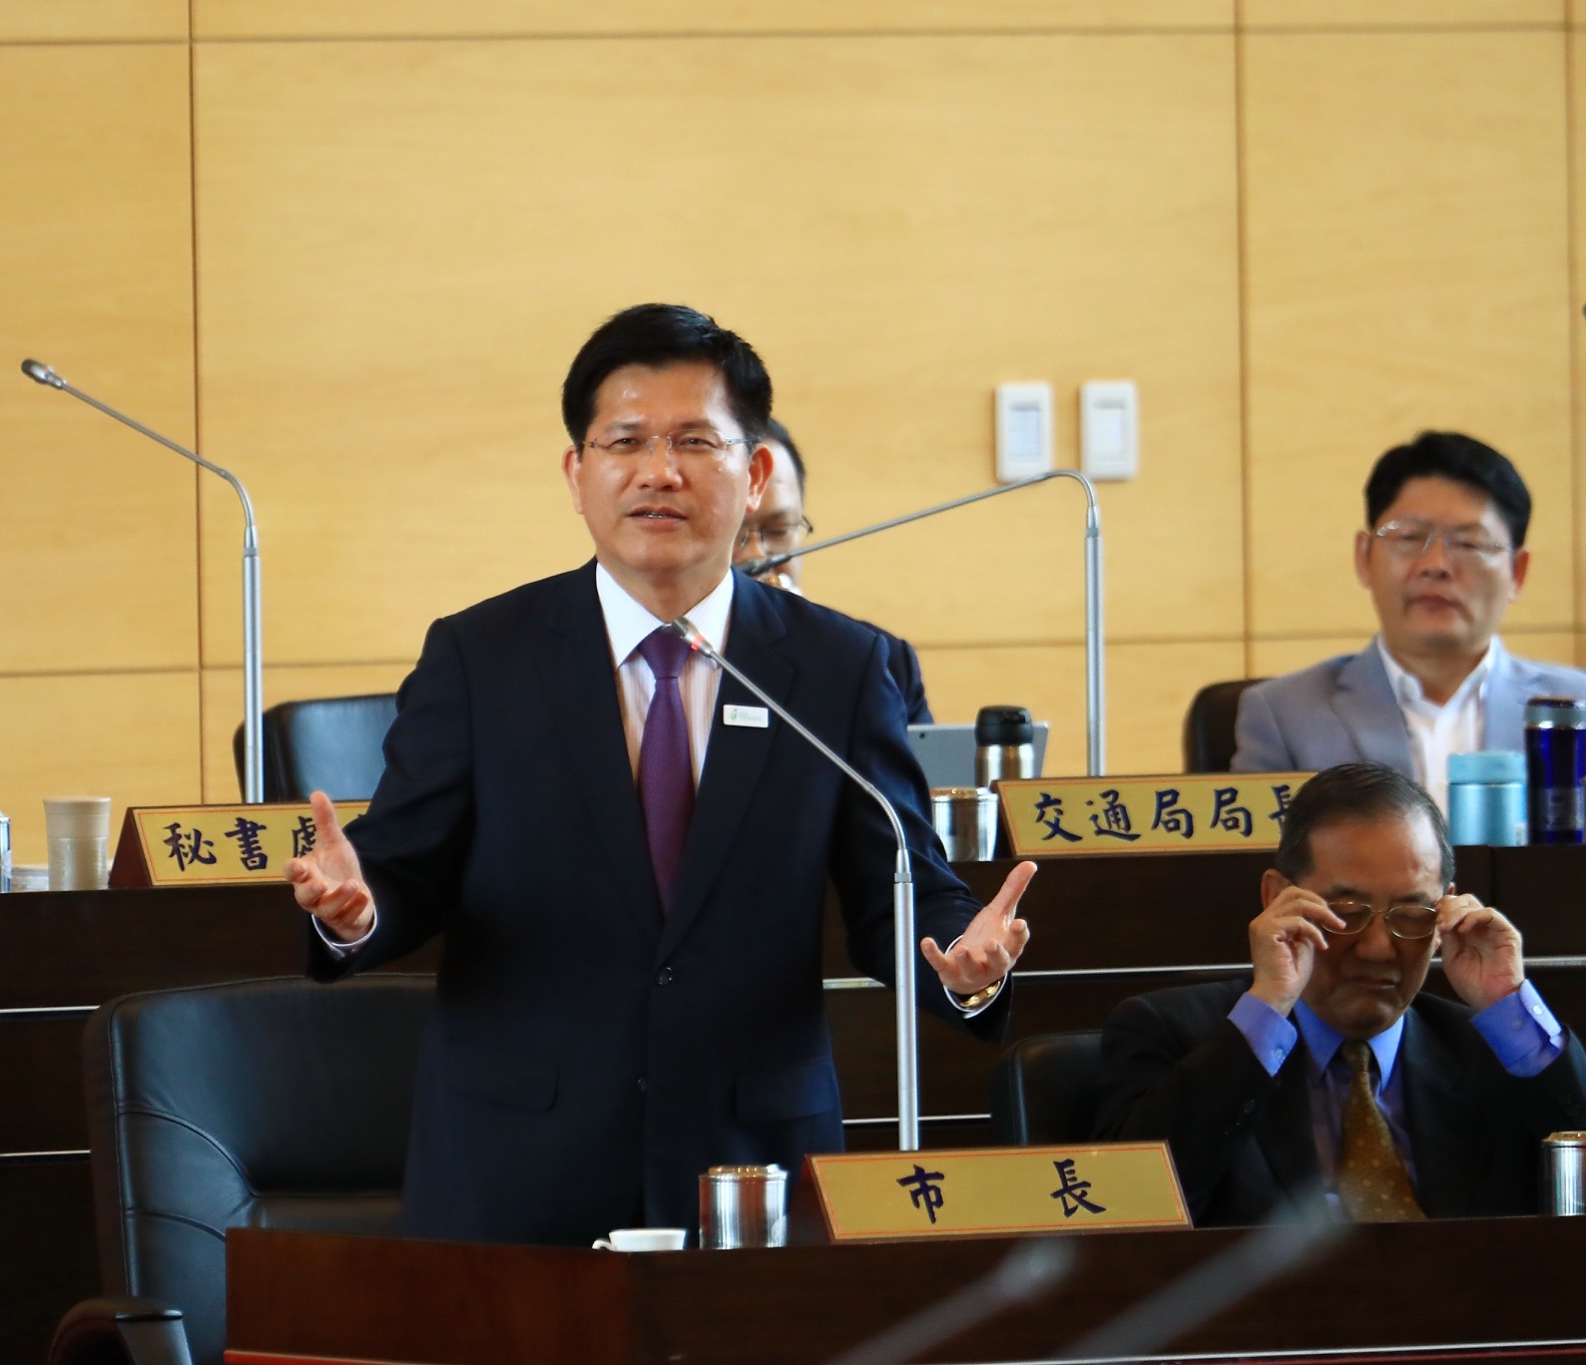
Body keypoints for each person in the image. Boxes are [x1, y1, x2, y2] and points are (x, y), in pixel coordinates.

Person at [286, 303, 1036, 1247]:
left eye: (694, 440)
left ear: (753, 473)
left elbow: (899, 883)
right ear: (577, 473)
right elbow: (404, 865)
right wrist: (354, 909)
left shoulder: (839, 667)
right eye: (626, 440)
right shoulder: (483, 657)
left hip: (751, 1158)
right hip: (516, 1162)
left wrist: (963, 964)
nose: (659, 471)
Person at [1093, 763, 1586, 1226]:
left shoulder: (1497, 1050)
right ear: (1276, 899)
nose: (1378, 948)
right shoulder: (1171, 1032)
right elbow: (1128, 1206)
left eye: (1411, 915)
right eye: (1345, 912)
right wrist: (1270, 1005)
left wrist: (1508, 999)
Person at [1233, 431, 1586, 809]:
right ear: (1364, 557)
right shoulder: (1283, 716)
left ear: (1517, 572)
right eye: (1409, 537)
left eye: (1468, 544)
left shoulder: (1578, 708)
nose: (1436, 565)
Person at [740, 419, 934, 726]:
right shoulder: (674, 660)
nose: (756, 555)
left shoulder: (879, 661)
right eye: (735, 532)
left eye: (779, 531)